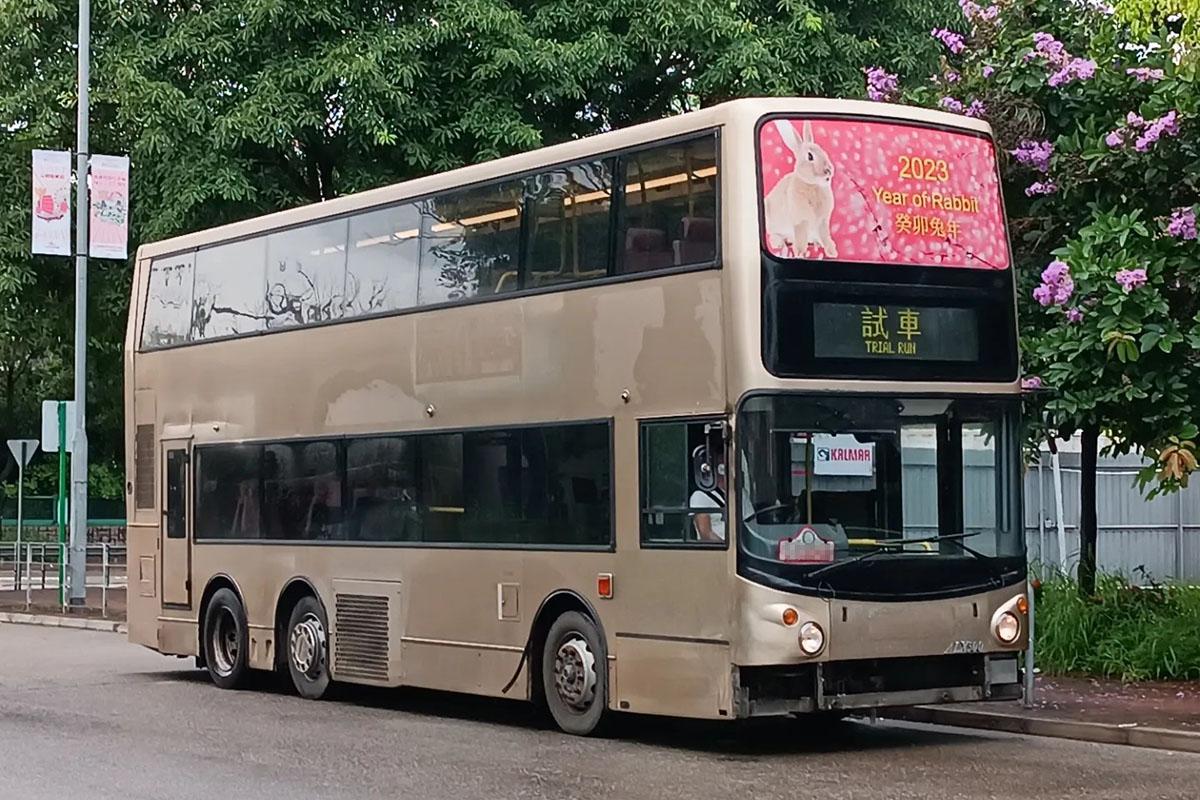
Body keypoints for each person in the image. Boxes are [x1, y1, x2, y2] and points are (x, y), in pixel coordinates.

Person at [690, 447, 726, 542]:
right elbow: (705, 534)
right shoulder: (700, 496)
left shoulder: (742, 495)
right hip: (717, 552)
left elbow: (751, 525)